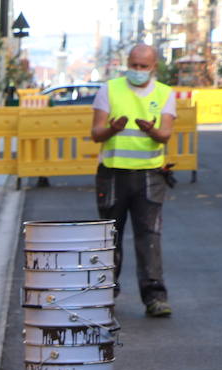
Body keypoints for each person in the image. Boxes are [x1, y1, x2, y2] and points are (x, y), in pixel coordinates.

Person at [91, 42, 176, 318]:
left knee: (149, 236)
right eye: (134, 65)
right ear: (127, 63)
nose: (138, 71)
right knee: (109, 237)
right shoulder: (109, 89)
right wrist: (111, 129)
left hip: (150, 176)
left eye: (144, 66)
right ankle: (106, 296)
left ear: (154, 67)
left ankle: (155, 297)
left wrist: (153, 131)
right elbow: (96, 132)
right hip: (113, 174)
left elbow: (166, 134)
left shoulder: (165, 93)